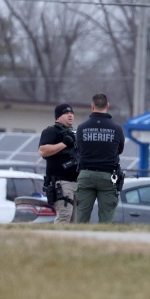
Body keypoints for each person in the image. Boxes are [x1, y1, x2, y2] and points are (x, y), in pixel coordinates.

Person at [75, 93, 125, 223]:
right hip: (108, 176)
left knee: (81, 217)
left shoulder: (81, 128)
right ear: (107, 106)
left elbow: (79, 149)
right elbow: (119, 150)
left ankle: (78, 240)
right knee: (106, 217)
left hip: (86, 174)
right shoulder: (117, 128)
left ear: (92, 107)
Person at [38, 103, 79, 223]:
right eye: (66, 113)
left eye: (71, 113)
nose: (70, 115)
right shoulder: (51, 131)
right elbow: (42, 151)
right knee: (64, 216)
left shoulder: (74, 133)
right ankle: (56, 239)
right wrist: (64, 144)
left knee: (75, 221)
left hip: (76, 182)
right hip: (61, 182)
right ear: (58, 117)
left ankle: (69, 241)